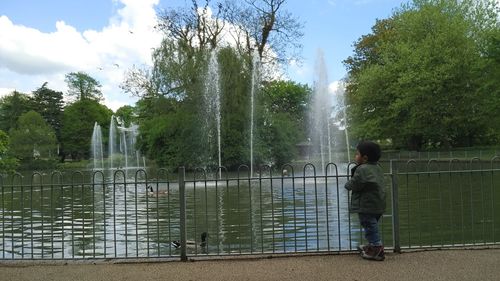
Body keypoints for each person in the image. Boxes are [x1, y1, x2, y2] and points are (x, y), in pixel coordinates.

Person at [345, 141, 386, 261]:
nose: (355, 156)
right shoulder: (377, 167)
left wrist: (347, 185)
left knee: (369, 226)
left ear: (365, 158)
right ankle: (372, 246)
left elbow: (355, 183)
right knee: (372, 226)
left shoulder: (362, 169)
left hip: (366, 204)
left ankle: (377, 249)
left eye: (357, 154)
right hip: (378, 203)